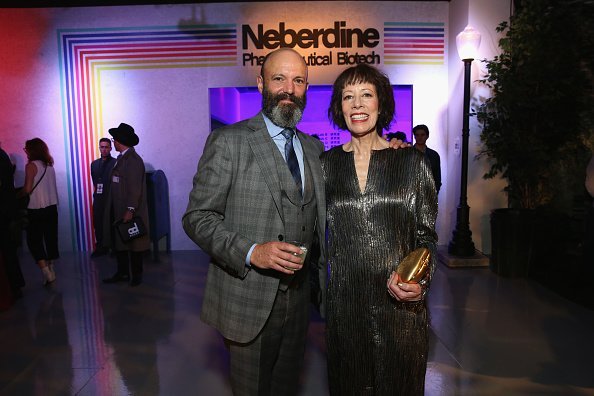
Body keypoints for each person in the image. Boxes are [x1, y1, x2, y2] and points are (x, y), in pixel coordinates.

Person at [182, 48, 327, 395]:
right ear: (261, 83)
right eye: (279, 78)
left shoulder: (314, 149)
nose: (289, 89)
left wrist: (390, 153)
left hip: (301, 301)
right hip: (248, 300)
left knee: (286, 386)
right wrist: (252, 252)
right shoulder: (229, 142)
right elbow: (197, 218)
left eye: (298, 80)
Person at [322, 64, 438, 395]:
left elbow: (426, 236)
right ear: (339, 107)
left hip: (400, 307)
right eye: (348, 96)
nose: (357, 104)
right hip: (346, 307)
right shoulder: (325, 166)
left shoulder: (411, 163)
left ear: (381, 103)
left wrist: (420, 281)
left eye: (366, 95)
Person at [102, 123, 149, 287]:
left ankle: (136, 276)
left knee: (134, 242)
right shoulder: (122, 158)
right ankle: (122, 273)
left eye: (113, 140)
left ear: (119, 141)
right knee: (121, 242)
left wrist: (130, 209)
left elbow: (135, 188)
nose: (112, 142)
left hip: (129, 209)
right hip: (119, 207)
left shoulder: (133, 160)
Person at [20, 138, 60, 286]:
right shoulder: (50, 165)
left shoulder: (31, 166)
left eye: (26, 149)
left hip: (35, 208)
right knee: (50, 238)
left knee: (34, 240)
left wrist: (17, 194)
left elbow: (28, 189)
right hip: (51, 207)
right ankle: (51, 268)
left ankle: (46, 272)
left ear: (31, 150)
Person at [0, 144, 25, 300]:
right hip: (7, 210)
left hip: (3, 212)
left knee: (6, 251)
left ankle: (12, 288)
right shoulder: (3, 156)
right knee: (8, 250)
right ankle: (15, 286)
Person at [90, 137, 116, 257]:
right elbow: (95, 182)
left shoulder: (115, 163)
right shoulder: (94, 164)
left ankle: (114, 248)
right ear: (99, 148)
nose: (104, 149)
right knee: (98, 223)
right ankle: (100, 247)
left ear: (110, 148)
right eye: (102, 147)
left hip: (111, 198)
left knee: (112, 222)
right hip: (99, 198)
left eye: (106, 147)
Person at [413, 124, 441, 194]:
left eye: (422, 135)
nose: (419, 137)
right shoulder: (407, 153)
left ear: (427, 136)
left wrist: (435, 191)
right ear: (414, 136)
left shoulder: (434, 155)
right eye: (417, 135)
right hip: (411, 192)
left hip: (428, 192)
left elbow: (437, 176)